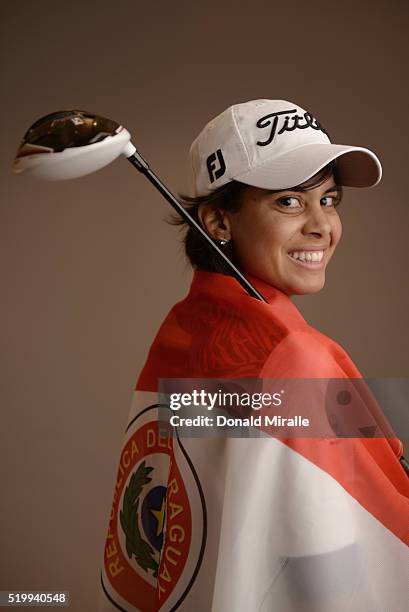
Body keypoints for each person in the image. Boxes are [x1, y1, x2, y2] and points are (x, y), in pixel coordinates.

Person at [99, 100, 409, 612]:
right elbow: (335, 568)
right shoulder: (294, 357)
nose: (321, 226)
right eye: (289, 202)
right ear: (218, 220)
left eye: (329, 199)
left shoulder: (185, 329)